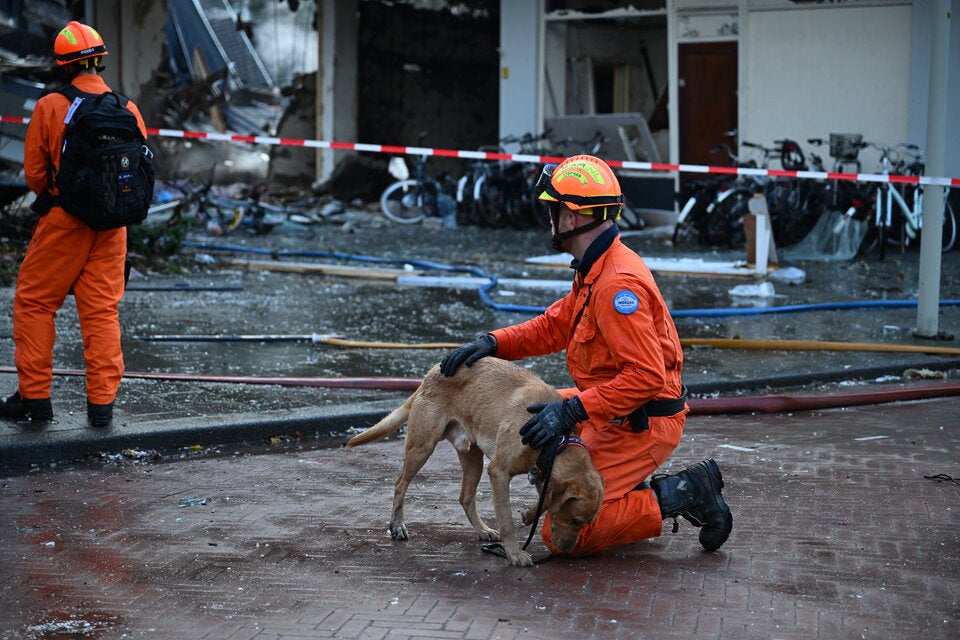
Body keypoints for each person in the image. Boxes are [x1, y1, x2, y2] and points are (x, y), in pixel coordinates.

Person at [440, 155, 732, 556]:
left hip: (640, 423)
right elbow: (555, 326)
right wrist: (493, 342)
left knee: (564, 534)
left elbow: (645, 378)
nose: (550, 219)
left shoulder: (616, 286)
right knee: (530, 418)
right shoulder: (594, 268)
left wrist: (572, 411)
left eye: (553, 210)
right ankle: (625, 486)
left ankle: (684, 493)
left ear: (573, 219)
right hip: (610, 408)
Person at [0, 21, 147, 428]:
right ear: (100, 60)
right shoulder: (127, 107)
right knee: (101, 312)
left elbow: (34, 174)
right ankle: (101, 409)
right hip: (113, 228)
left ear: (63, 65)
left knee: (34, 304)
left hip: (64, 222)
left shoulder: (51, 106)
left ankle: (35, 399)